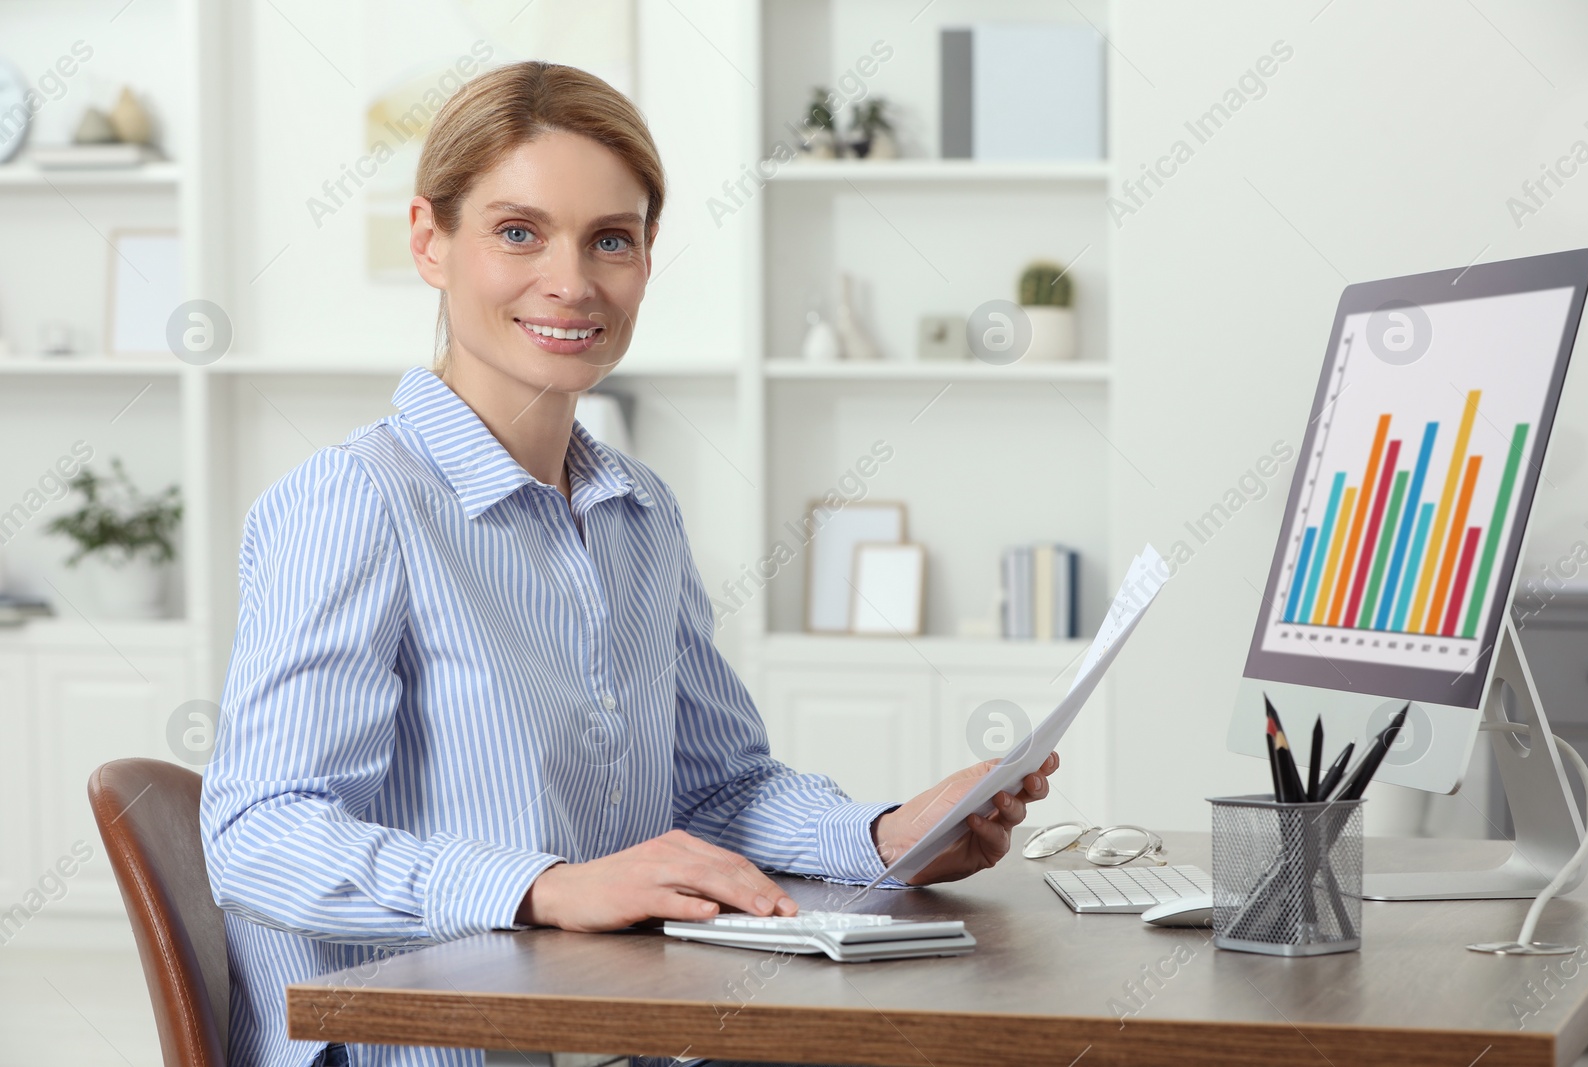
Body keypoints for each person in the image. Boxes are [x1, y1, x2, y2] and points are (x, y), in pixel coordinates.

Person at [199, 60, 1058, 1067]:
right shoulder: (354, 500)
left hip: (615, 1025)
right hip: (437, 1047)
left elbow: (717, 788)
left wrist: (883, 834)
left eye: (611, 239)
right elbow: (259, 834)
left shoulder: (638, 511)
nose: (571, 281)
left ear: (647, 256)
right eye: (518, 232)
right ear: (431, 241)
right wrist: (542, 884)